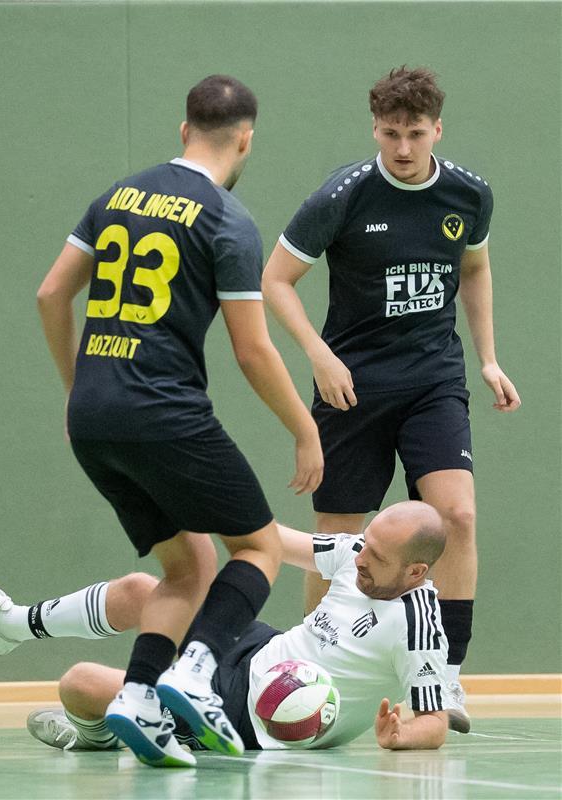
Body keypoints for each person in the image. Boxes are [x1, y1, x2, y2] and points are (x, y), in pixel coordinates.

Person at [0, 75, 323, 769]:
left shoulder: (114, 198)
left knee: (186, 565)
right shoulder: (226, 219)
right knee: (258, 548)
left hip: (94, 417)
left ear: (184, 130)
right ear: (246, 139)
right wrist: (304, 428)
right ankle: (192, 675)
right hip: (163, 410)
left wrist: (76, 388)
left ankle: (141, 697)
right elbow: (251, 348)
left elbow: (50, 293)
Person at [261, 66, 521, 733]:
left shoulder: (467, 195)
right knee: (337, 541)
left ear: (436, 129)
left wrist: (487, 357)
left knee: (456, 515)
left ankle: (447, 676)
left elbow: (474, 268)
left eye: (413, 134)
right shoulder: (342, 196)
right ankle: (310, 672)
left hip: (432, 378)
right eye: (388, 134)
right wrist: (318, 355)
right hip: (351, 388)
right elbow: (276, 280)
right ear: (373, 128)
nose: (401, 148)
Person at [0, 501, 451, 756]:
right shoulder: (358, 553)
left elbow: (436, 721)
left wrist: (402, 738)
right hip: (260, 648)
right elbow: (272, 539)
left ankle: (98, 736)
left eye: (376, 557)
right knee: (143, 590)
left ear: (415, 573)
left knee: (78, 684)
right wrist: (198, 500)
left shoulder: (419, 626)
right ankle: (8, 625)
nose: (360, 557)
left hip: (251, 716)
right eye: (364, 545)